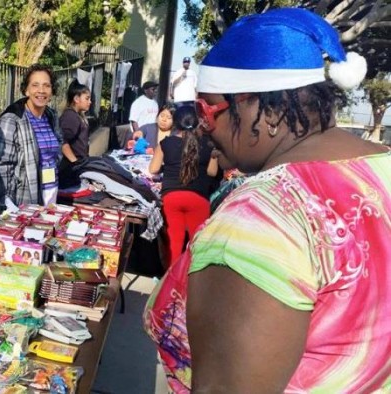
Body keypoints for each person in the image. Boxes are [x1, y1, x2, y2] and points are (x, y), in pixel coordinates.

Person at [144, 8, 390, 393]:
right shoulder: (382, 167)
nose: (204, 126)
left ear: (267, 110)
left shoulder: (260, 220)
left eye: (209, 109)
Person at [149, 106, 218, 266]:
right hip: (199, 198)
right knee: (196, 245)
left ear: (175, 124)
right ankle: (191, 283)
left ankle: (170, 282)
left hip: (172, 197)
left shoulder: (166, 143)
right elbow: (212, 172)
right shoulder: (207, 145)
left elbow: (153, 169)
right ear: (197, 123)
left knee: (174, 244)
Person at [0, 64, 62, 211]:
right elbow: (3, 167)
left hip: (51, 191)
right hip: (24, 197)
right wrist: (5, 206)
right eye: (35, 85)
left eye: (46, 85)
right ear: (26, 90)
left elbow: (58, 147)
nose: (41, 90)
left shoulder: (51, 115)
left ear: (52, 90)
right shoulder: (12, 119)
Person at [58, 79, 92, 189]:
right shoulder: (70, 117)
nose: (90, 102)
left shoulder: (77, 116)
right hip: (70, 170)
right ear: (76, 99)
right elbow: (62, 141)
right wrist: (75, 162)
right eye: (87, 98)